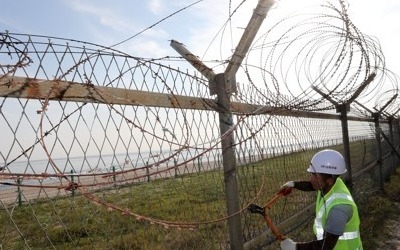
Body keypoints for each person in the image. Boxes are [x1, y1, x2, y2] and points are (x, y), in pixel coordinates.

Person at [279, 149, 362, 250]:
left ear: (330, 180)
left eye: (315, 175)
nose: (311, 179)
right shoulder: (332, 184)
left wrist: (295, 247)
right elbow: (311, 185)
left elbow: (326, 246)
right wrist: (294, 184)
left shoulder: (339, 209)